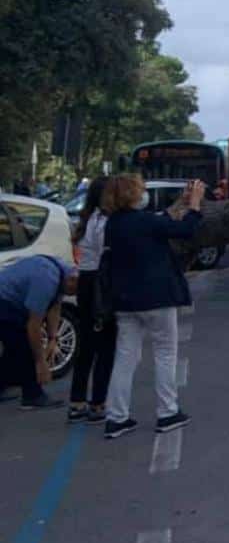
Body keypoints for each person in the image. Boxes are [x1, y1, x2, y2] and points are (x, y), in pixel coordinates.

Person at [101, 174, 204, 439]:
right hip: (157, 298)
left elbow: (164, 221)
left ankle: (116, 417)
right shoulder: (145, 221)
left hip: (125, 300)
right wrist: (194, 205)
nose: (144, 192)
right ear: (132, 195)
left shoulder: (113, 224)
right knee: (165, 354)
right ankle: (167, 412)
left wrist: (180, 203)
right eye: (141, 189)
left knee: (125, 357)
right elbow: (184, 230)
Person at [0, 255, 78, 410]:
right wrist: (41, 362)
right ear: (72, 280)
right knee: (25, 347)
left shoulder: (63, 272)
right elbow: (33, 327)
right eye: (74, 291)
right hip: (4, 302)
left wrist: (53, 338)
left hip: (8, 300)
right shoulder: (47, 280)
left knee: (13, 349)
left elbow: (55, 307)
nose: (73, 295)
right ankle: (32, 396)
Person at [67, 176, 116, 424]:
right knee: (106, 346)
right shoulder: (103, 222)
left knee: (87, 345)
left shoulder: (86, 220)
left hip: (86, 283)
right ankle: (98, 403)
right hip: (101, 284)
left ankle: (77, 401)